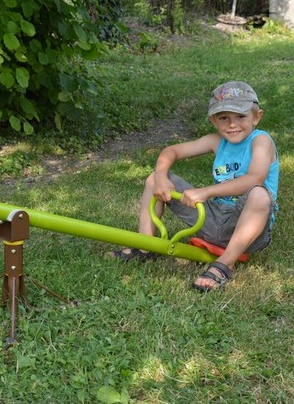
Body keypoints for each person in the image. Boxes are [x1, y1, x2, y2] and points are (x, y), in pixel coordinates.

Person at [110, 81, 279, 292]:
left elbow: (254, 178)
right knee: (154, 177)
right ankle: (145, 245)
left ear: (257, 117)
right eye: (224, 118)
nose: (232, 124)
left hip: (247, 226)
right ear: (213, 120)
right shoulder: (215, 141)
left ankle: (224, 264)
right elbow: (172, 151)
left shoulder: (261, 141)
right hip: (212, 217)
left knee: (259, 195)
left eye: (241, 117)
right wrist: (161, 176)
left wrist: (206, 191)